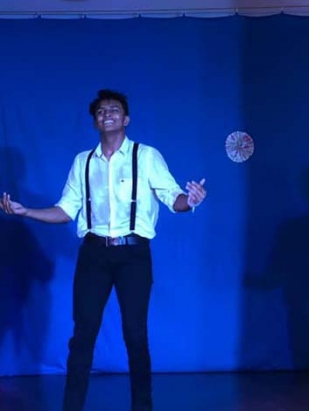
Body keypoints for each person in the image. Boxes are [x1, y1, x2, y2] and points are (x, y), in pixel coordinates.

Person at [1, 89, 207, 411]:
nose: (107, 113)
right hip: (94, 254)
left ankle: (142, 408)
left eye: (114, 109)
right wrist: (26, 211)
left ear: (126, 119)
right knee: (83, 335)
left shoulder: (146, 156)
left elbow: (173, 198)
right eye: (100, 111)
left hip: (133, 255)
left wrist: (190, 200)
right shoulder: (83, 162)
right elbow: (65, 210)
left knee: (135, 335)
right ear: (95, 122)